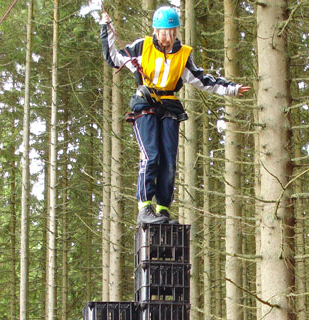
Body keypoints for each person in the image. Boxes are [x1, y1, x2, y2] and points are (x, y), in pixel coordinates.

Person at [100, 6, 251, 225]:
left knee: (169, 161)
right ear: (155, 30)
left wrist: (232, 88)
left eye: (171, 32)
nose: (167, 38)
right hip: (145, 104)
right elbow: (114, 57)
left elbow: (203, 80)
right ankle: (145, 207)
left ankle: (163, 209)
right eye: (163, 32)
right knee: (151, 154)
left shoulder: (182, 56)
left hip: (169, 107)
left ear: (177, 32)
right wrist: (106, 28)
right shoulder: (142, 48)